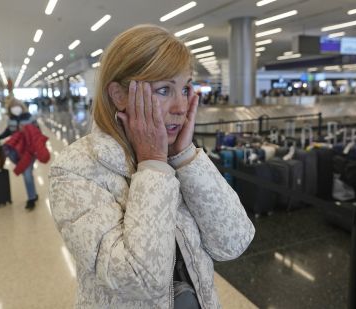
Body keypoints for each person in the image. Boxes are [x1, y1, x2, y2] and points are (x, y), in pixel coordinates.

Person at [48, 25, 255, 308]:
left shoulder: (180, 156)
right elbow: (140, 280)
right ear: (119, 95)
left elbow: (234, 242)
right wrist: (153, 165)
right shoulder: (75, 169)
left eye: (184, 88)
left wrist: (184, 157)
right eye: (163, 90)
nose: (181, 106)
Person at [0, 98, 39, 209]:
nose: (15, 109)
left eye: (17, 106)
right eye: (12, 107)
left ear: (21, 106)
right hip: (17, 152)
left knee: (27, 173)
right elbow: (8, 131)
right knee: (27, 173)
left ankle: (31, 199)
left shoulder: (30, 118)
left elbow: (38, 132)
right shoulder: (11, 120)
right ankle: (33, 193)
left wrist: (27, 131)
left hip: (29, 151)